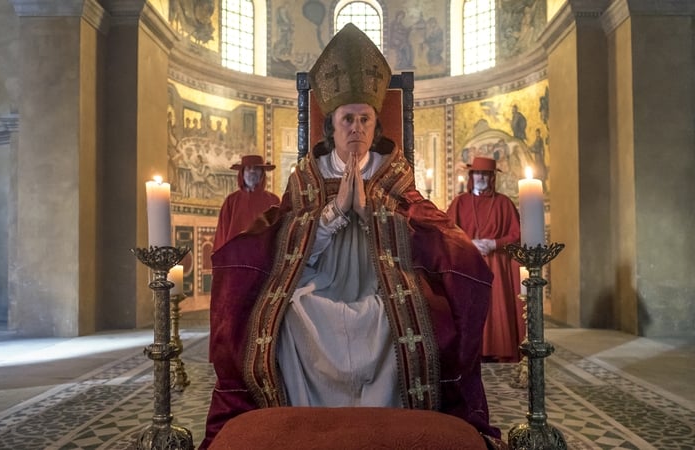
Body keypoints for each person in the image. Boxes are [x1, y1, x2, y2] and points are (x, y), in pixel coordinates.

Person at [202, 24, 508, 449]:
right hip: (318, 280)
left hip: (384, 283)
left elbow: (433, 234)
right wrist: (331, 214)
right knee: (294, 315)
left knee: (387, 320)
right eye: (348, 119)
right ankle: (308, 422)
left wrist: (369, 213)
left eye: (365, 119)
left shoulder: (394, 172)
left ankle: (386, 423)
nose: (357, 129)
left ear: (375, 123)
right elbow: (280, 241)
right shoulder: (309, 175)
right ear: (332, 124)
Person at [447, 157, 525, 363]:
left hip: (497, 265)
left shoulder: (504, 203)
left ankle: (498, 349)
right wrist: (469, 243)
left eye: (486, 174)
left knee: (496, 306)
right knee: (470, 306)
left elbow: (516, 235)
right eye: (477, 173)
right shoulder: (459, 203)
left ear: (492, 178)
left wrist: (494, 244)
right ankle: (472, 351)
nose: (481, 177)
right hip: (468, 264)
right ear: (471, 176)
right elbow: (446, 233)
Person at [212, 155, 280, 252]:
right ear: (242, 173)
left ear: (262, 174)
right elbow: (222, 232)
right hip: (236, 256)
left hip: (264, 257)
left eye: (256, 168)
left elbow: (279, 232)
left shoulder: (273, 201)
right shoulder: (231, 201)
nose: (252, 171)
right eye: (248, 168)